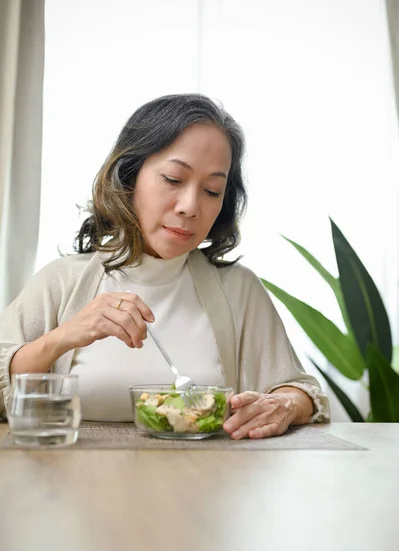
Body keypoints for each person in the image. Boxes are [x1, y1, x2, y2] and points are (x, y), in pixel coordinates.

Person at [0, 93, 329, 438]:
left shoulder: (238, 290)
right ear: (128, 178)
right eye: (173, 179)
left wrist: (285, 405)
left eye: (212, 190)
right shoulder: (61, 281)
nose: (190, 206)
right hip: (73, 484)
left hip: (208, 483)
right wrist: (62, 337)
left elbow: (301, 390)